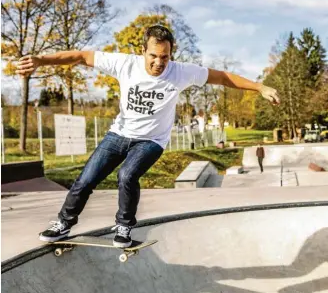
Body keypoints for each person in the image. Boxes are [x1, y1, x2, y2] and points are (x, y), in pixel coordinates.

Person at [16, 25, 280, 247]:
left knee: (127, 175)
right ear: (142, 51)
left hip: (152, 141)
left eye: (164, 57)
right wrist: (41, 61)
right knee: (85, 180)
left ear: (170, 54)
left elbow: (221, 77)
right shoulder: (124, 64)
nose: (158, 63)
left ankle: (124, 227)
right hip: (119, 134)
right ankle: (64, 222)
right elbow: (81, 56)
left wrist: (259, 87)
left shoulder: (181, 71)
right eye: (153, 56)